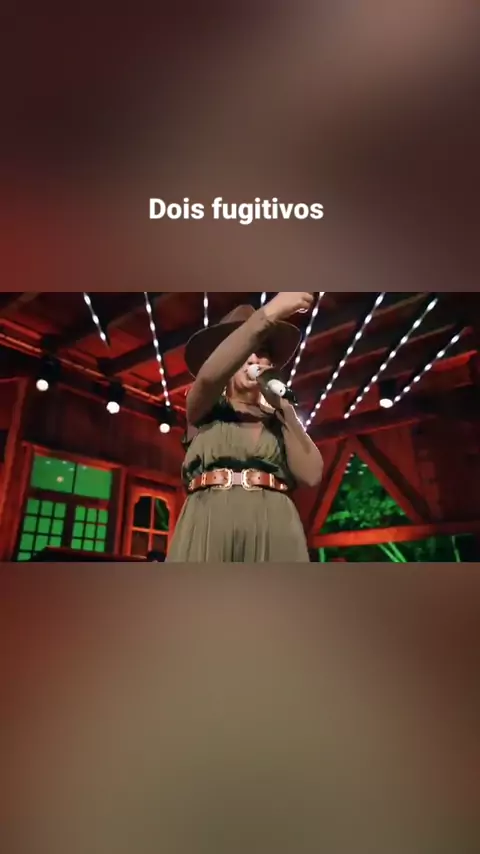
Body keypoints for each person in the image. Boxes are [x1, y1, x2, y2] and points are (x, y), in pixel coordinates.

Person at [166, 292, 324, 562]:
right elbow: (208, 380)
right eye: (245, 350)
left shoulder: (278, 420)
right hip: (208, 524)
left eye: (263, 352)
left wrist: (284, 409)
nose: (254, 358)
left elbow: (311, 475)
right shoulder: (205, 409)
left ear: (270, 365)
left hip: (276, 530)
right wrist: (269, 314)